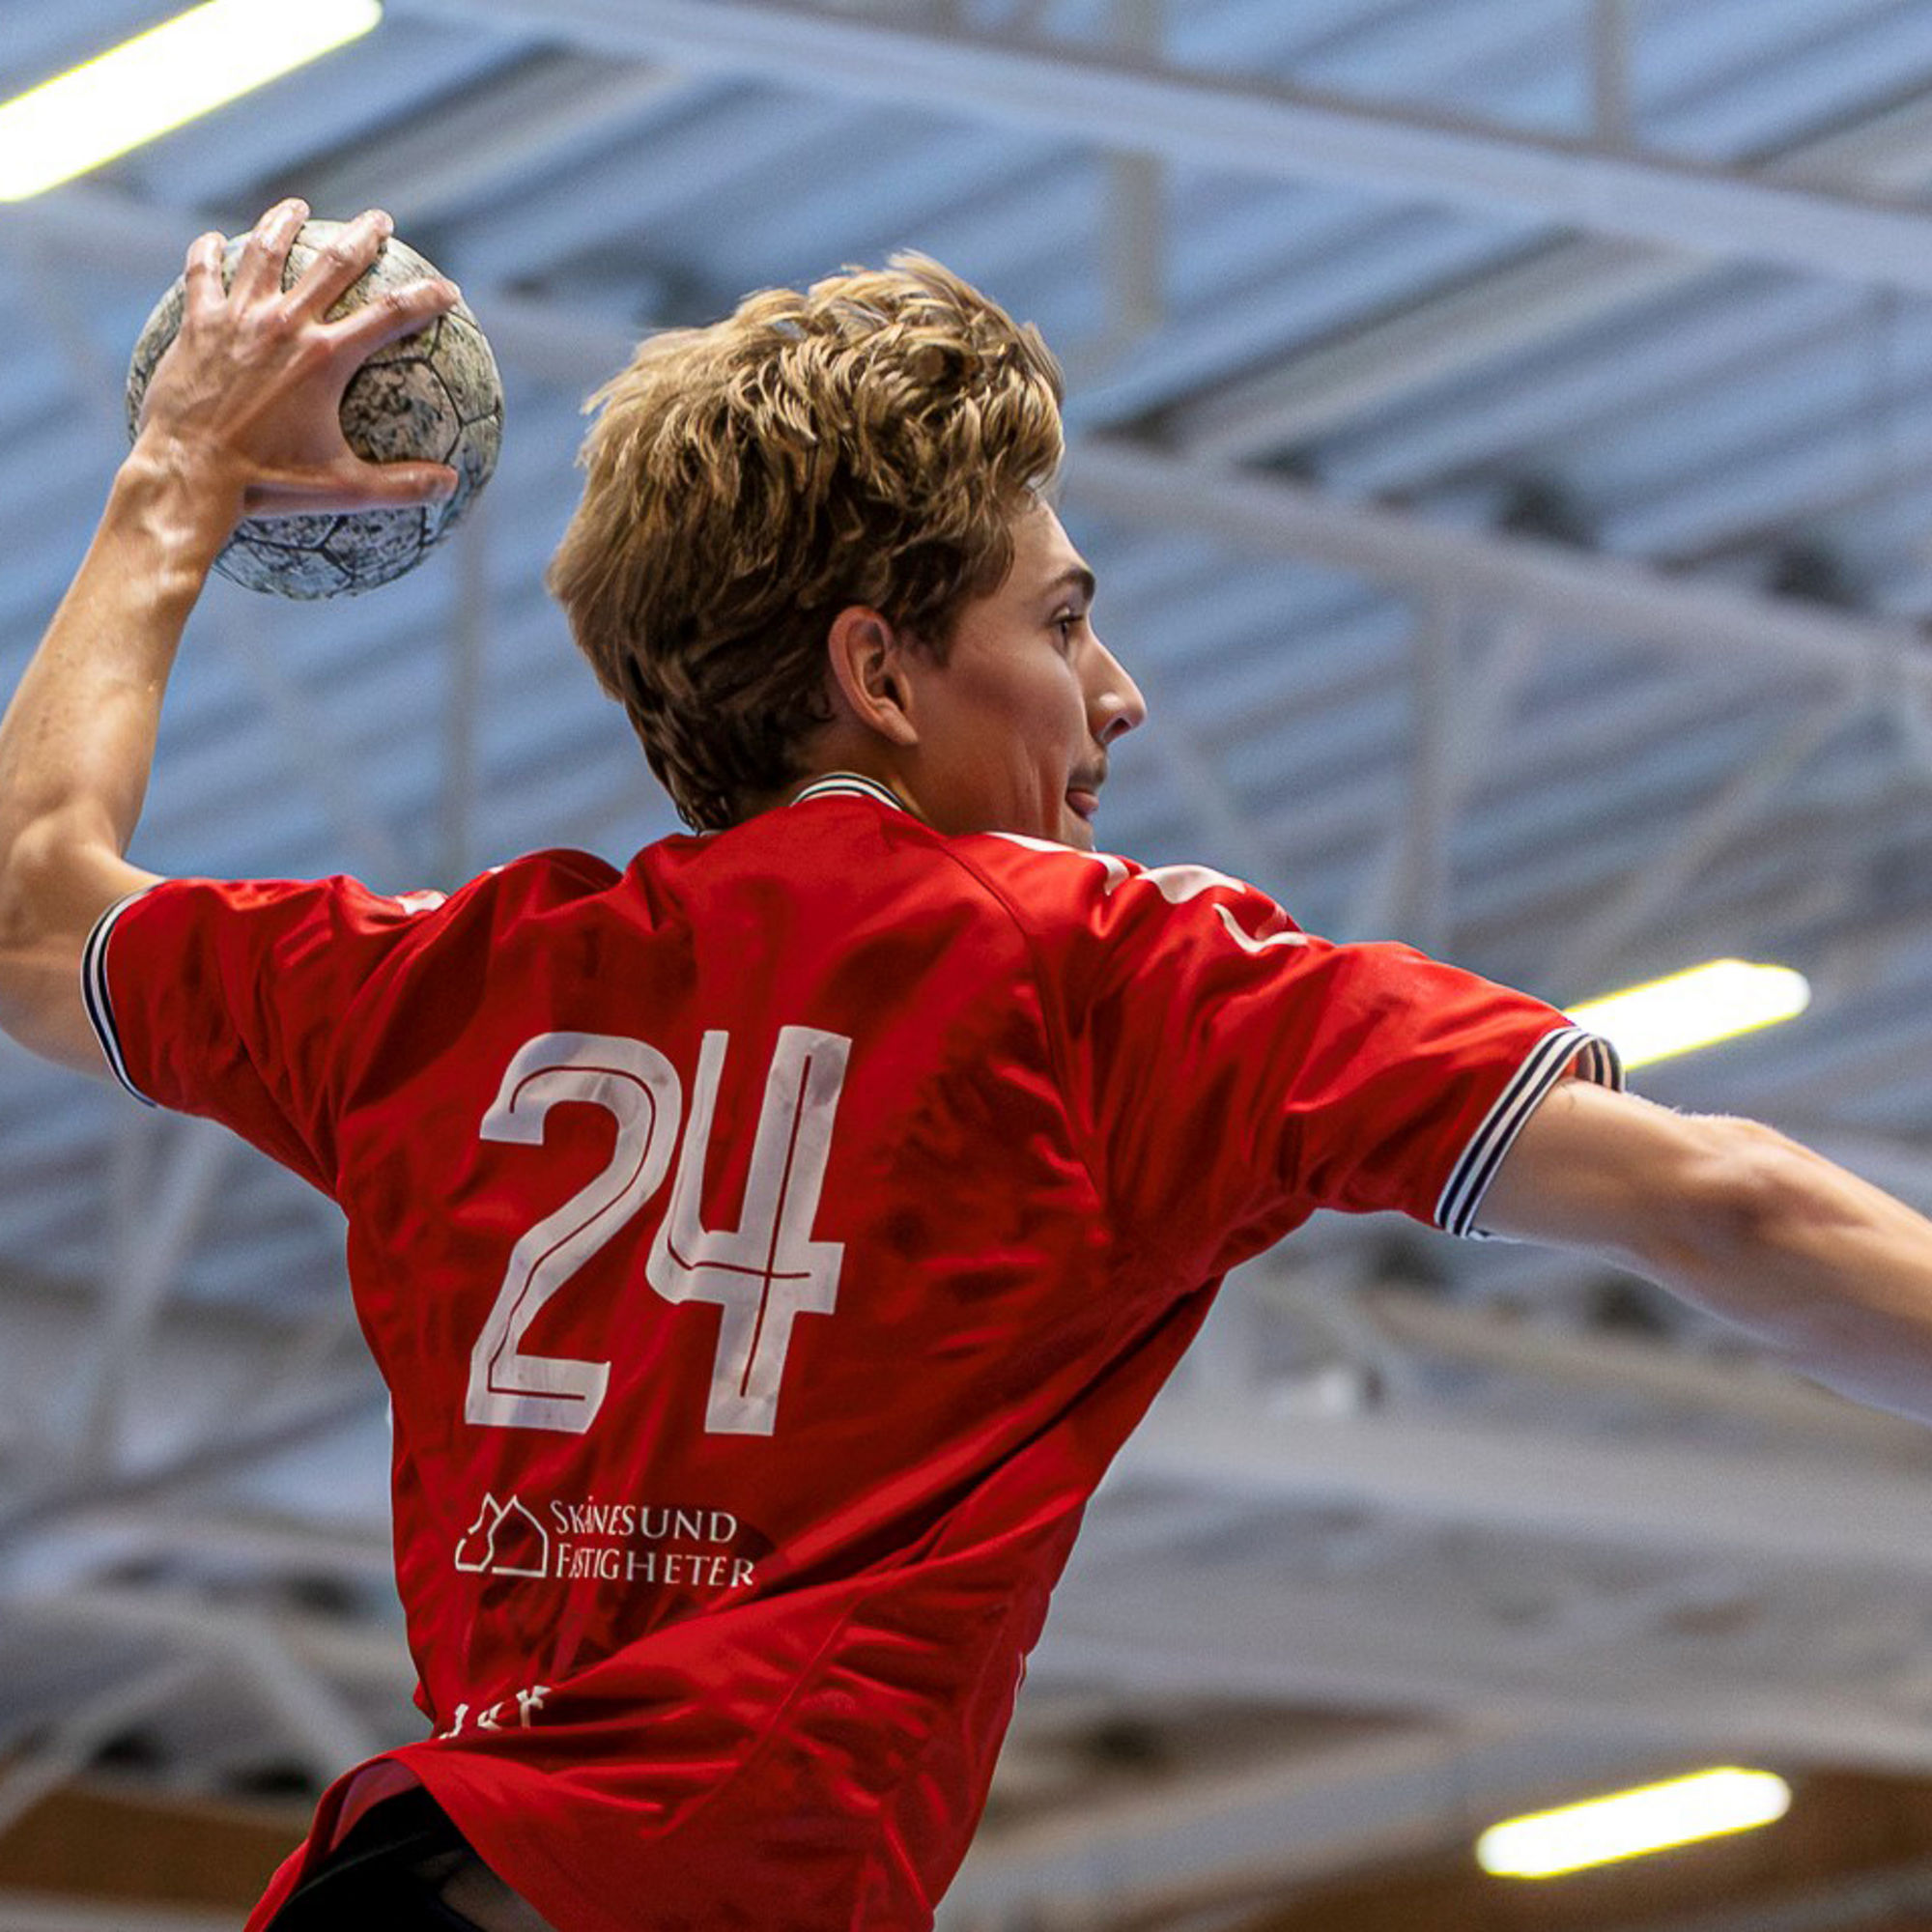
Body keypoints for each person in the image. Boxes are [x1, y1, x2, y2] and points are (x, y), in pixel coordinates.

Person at [3, 198, 1932, 1932]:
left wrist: (175, 475)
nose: (1119, 695)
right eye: (1065, 620)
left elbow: (30, 912)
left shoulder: (442, 987)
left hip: (408, 1876)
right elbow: (1731, 1199)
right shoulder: (1110, 981)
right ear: (883, 673)